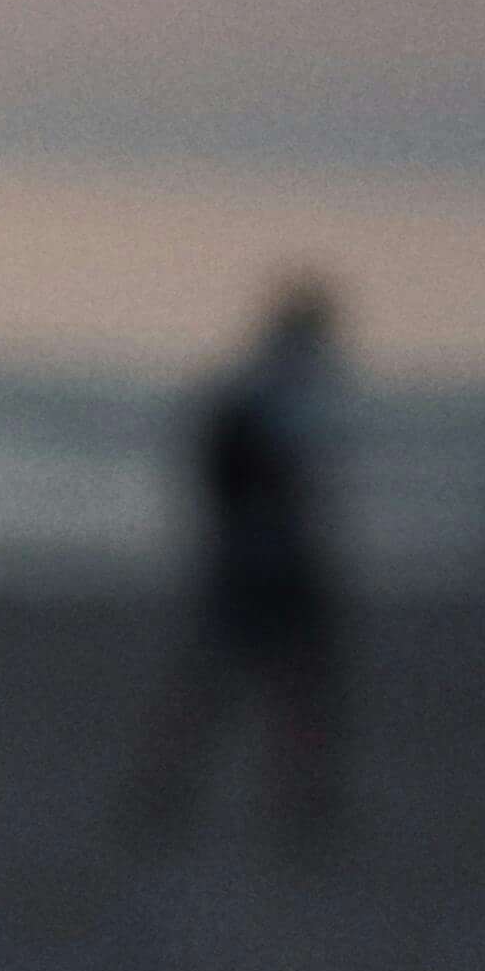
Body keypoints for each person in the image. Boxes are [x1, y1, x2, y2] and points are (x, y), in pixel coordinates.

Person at [124, 272, 351, 848]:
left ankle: (178, 787)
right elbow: (282, 481)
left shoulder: (255, 390)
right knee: (275, 682)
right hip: (267, 560)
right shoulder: (281, 395)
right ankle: (286, 801)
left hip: (250, 557)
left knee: (244, 681)